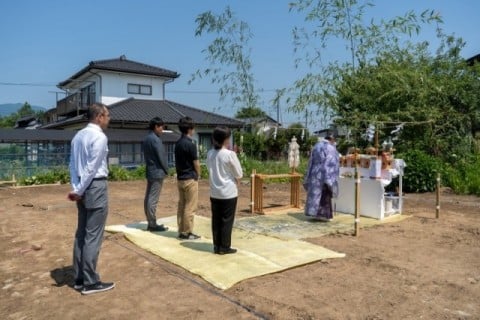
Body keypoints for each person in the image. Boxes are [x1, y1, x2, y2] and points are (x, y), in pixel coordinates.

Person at [67, 103, 115, 295]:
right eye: (107, 115)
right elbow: (92, 168)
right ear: (99, 117)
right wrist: (81, 188)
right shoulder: (99, 137)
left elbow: (72, 164)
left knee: (81, 233)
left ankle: (79, 278)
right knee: (93, 234)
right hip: (94, 186)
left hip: (81, 185)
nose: (109, 119)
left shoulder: (78, 136)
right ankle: (90, 281)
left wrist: (76, 188)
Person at [206, 127, 243, 255]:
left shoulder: (210, 153)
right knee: (227, 220)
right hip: (228, 192)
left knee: (216, 220)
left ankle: (216, 245)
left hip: (214, 191)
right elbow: (239, 173)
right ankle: (225, 247)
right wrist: (236, 178)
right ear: (226, 139)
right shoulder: (229, 154)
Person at [174, 117, 201, 240]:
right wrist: (198, 174)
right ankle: (187, 232)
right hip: (190, 178)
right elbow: (196, 163)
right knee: (190, 207)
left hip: (180, 178)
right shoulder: (191, 144)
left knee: (182, 205)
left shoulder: (178, 143)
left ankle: (181, 230)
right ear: (190, 129)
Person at [303, 135, 340, 222]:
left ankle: (314, 213)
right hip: (324, 173)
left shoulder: (316, 146)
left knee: (314, 194)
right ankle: (324, 215)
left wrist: (309, 174)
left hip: (314, 172)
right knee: (324, 194)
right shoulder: (330, 148)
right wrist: (330, 177)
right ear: (332, 139)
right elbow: (330, 162)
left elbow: (310, 161)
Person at [142, 117, 169, 232]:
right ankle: (152, 224)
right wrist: (167, 170)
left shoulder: (147, 138)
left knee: (148, 197)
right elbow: (161, 156)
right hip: (157, 172)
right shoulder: (156, 140)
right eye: (161, 127)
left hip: (150, 170)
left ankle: (150, 222)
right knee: (153, 199)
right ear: (156, 127)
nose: (162, 129)